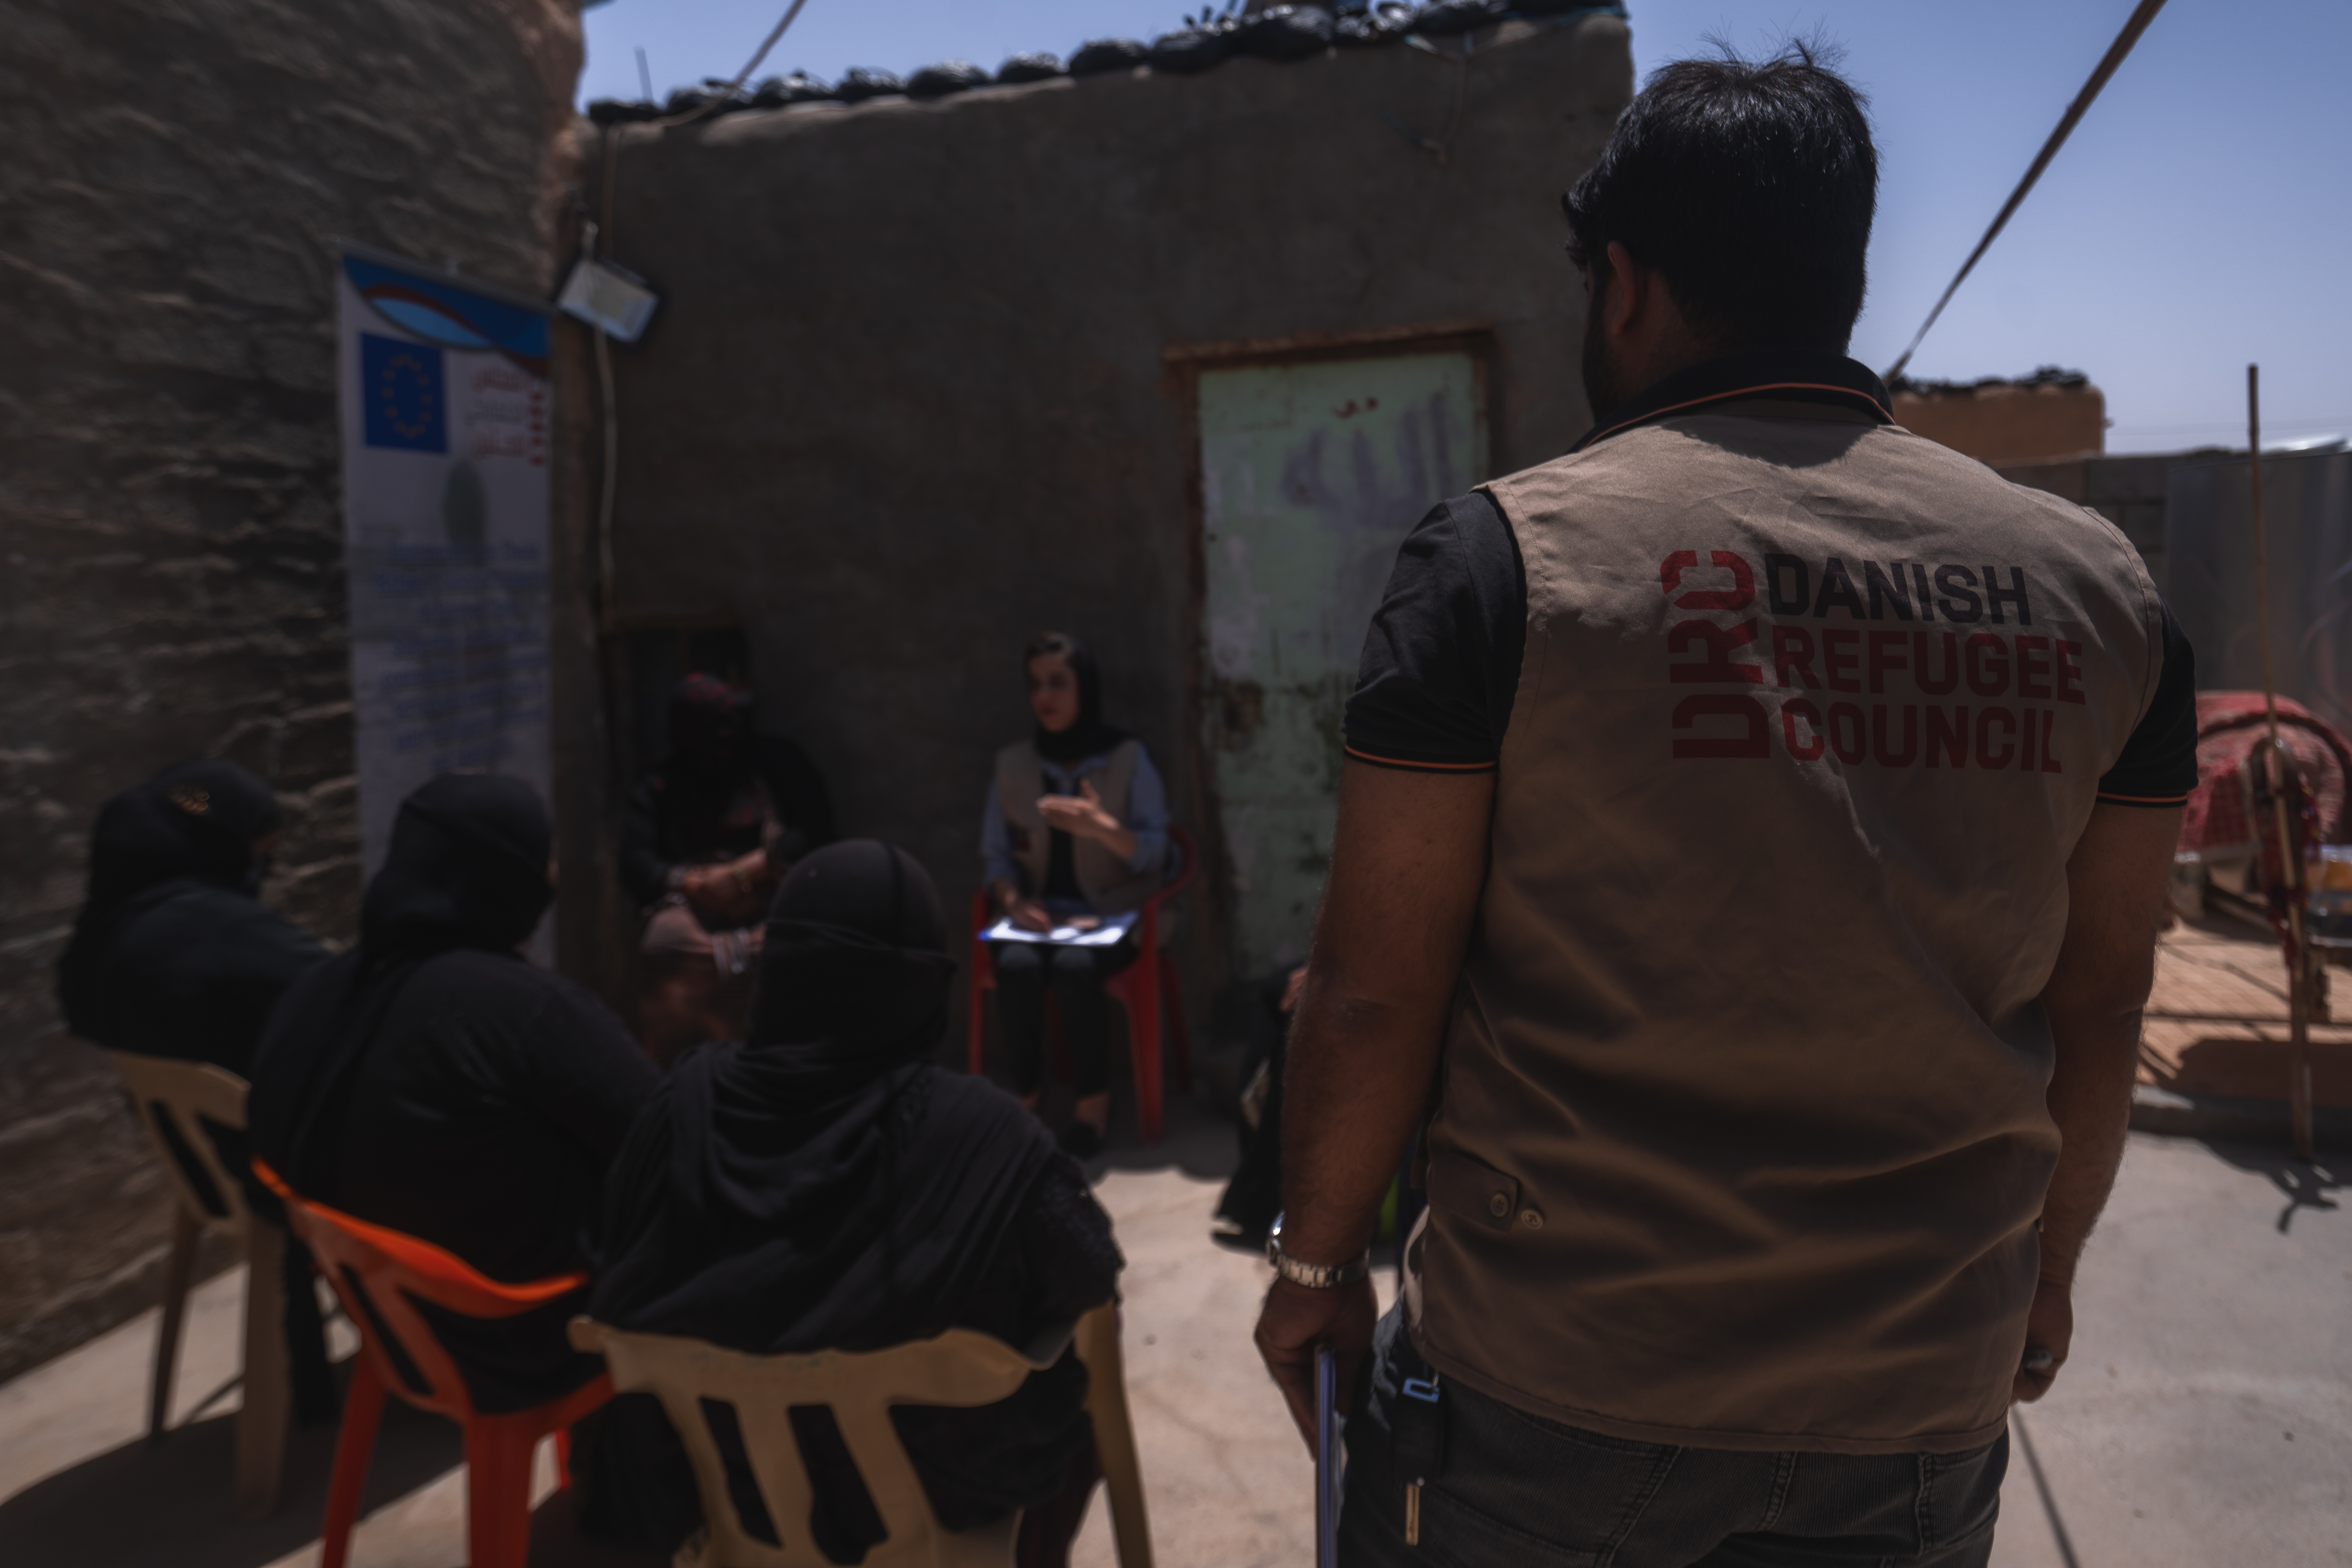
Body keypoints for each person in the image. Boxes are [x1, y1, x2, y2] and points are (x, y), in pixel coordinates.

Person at [1253, 45, 2197, 1568]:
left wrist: (1312, 1261)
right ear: (1839, 278)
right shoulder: (2106, 597)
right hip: (1911, 1414)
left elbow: (1373, 993)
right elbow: (2102, 1002)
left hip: (1547, 1404)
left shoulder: (1506, 562)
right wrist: (2051, 1269)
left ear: (1621, 285)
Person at [579, 840, 1121, 1568]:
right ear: (924, 982)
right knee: (1067, 1395)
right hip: (933, 1518)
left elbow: (614, 1252)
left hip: (735, 1503)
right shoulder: (988, 1141)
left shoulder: (680, 1108)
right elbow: (1089, 1275)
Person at [247, 774, 661, 1412]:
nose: (553, 876)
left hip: (394, 1328)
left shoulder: (316, 992)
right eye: (544, 860)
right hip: (523, 1338)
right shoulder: (520, 1009)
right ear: (510, 879)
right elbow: (663, 1139)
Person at [980, 633, 1172, 1156]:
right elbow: (996, 855)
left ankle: (1092, 1105)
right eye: (1036, 685)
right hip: (1042, 916)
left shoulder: (1127, 758)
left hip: (1113, 914)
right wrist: (1013, 899)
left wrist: (1102, 828)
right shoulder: (1014, 765)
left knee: (1073, 967)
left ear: (1084, 687)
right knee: (1016, 965)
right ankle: (1028, 1099)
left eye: (1059, 683)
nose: (1047, 697)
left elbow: (1159, 852)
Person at [57, 757, 327, 1077]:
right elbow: (348, 999)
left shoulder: (102, 933)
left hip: (187, 1122)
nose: (262, 873)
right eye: (260, 857)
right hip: (269, 1120)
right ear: (223, 846)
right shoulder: (214, 927)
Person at [621, 674, 837, 1065]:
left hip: (770, 886)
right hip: (694, 900)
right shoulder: (664, 784)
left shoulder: (774, 763)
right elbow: (635, 859)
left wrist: (748, 871)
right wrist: (691, 883)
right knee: (668, 949)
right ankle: (688, 1069)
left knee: (790, 954)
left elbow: (817, 831)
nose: (726, 739)